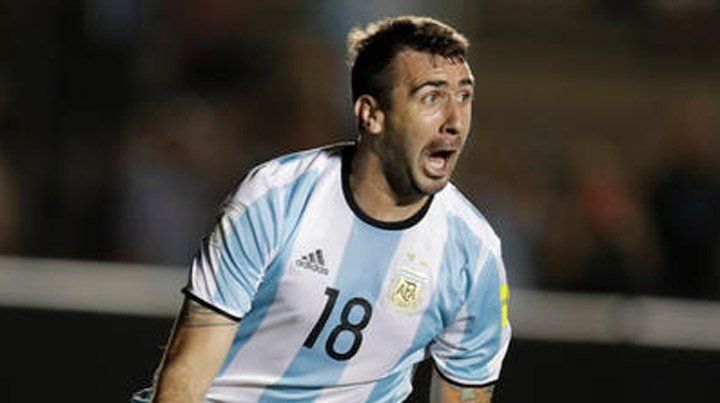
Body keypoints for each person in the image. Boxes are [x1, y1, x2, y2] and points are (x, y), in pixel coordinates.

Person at [133, 15, 511, 403]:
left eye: (464, 97)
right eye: (431, 97)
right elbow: (184, 377)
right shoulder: (275, 198)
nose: (455, 121)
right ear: (371, 114)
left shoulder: (475, 255)